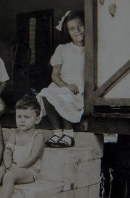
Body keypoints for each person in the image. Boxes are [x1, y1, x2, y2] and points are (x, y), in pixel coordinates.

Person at [0, 94, 45, 198]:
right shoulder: (14, 133)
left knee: (9, 176)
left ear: (37, 120)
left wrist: (15, 168)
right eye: (19, 116)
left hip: (29, 171)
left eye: (27, 117)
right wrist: (7, 165)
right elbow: (8, 151)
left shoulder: (38, 136)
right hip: (11, 166)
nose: (22, 120)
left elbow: (33, 158)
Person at [37, 11, 85, 147]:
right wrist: (65, 85)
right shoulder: (62, 49)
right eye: (72, 28)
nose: (77, 31)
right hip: (62, 85)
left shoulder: (91, 49)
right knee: (46, 94)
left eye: (80, 26)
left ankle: (69, 134)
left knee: (65, 96)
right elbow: (55, 74)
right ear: (67, 31)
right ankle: (57, 132)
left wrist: (69, 88)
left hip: (79, 89)